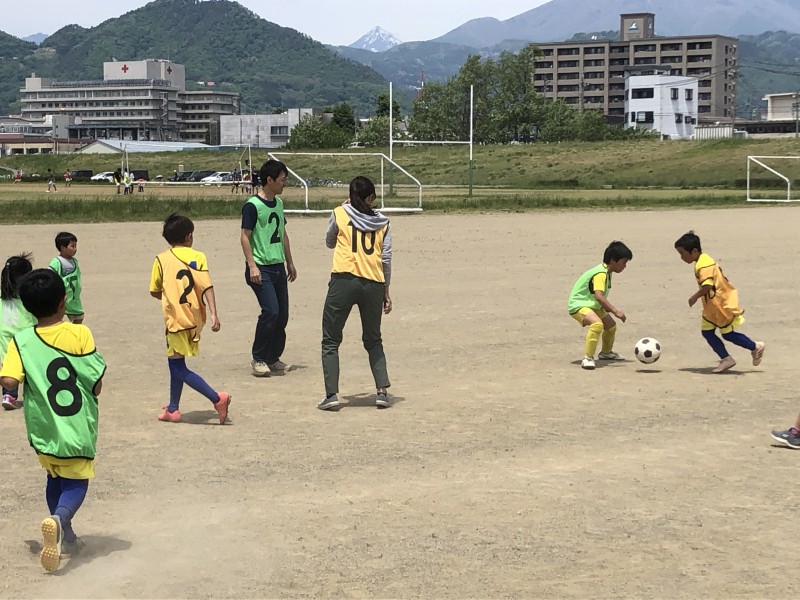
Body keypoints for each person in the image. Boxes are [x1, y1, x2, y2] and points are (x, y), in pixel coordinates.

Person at [0, 268, 106, 572]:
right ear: (63, 301)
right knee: (78, 481)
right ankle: (60, 520)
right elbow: (95, 382)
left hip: (43, 428)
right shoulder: (79, 333)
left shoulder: (20, 340)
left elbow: (9, 381)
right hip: (75, 426)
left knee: (55, 476)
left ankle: (66, 535)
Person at [318, 176, 393, 411]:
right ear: (370, 198)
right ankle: (381, 391)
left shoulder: (340, 213)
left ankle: (331, 394)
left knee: (331, 339)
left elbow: (330, 242)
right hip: (373, 282)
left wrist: (343, 210)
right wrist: (386, 291)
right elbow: (386, 258)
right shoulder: (383, 222)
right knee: (373, 338)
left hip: (344, 279)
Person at [150, 213, 231, 424]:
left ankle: (217, 398)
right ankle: (173, 409)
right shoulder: (199, 257)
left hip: (175, 320)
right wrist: (214, 313)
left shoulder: (161, 259)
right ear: (189, 236)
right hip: (194, 318)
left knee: (178, 367)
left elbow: (154, 290)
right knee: (175, 362)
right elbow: (207, 286)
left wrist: (169, 296)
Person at [675, 231, 765, 373]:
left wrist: (694, 297)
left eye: (682, 253)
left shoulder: (703, 265)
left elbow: (708, 285)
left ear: (694, 251)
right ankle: (726, 359)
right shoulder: (702, 260)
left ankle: (755, 346)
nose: (681, 257)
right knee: (707, 332)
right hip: (712, 306)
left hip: (720, 305)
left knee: (727, 334)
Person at [240, 159, 297, 377]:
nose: (284, 183)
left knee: (282, 316)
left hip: (278, 266)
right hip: (260, 268)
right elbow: (244, 237)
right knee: (271, 311)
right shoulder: (253, 206)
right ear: (270, 180)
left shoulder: (279, 204)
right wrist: (252, 266)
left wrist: (289, 261)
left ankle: (273, 357)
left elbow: (282, 233)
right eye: (282, 179)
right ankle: (259, 357)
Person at [567, 241, 633, 370]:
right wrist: (615, 311)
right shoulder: (601, 274)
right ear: (613, 260)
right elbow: (599, 296)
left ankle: (606, 353)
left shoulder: (606, 271)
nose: (625, 266)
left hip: (592, 305)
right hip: (579, 305)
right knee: (597, 324)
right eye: (623, 262)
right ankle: (588, 358)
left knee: (611, 326)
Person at [0, 253, 36, 410]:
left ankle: (9, 395)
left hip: (4, 337)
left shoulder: (2, 295)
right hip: (25, 337)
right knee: (30, 366)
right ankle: (35, 394)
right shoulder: (27, 296)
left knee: (9, 366)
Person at [49, 232, 84, 324]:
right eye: (72, 246)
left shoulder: (74, 261)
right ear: (63, 248)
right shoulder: (57, 262)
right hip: (61, 298)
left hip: (73, 299)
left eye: (76, 246)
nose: (75, 249)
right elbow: (50, 276)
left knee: (79, 318)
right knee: (57, 319)